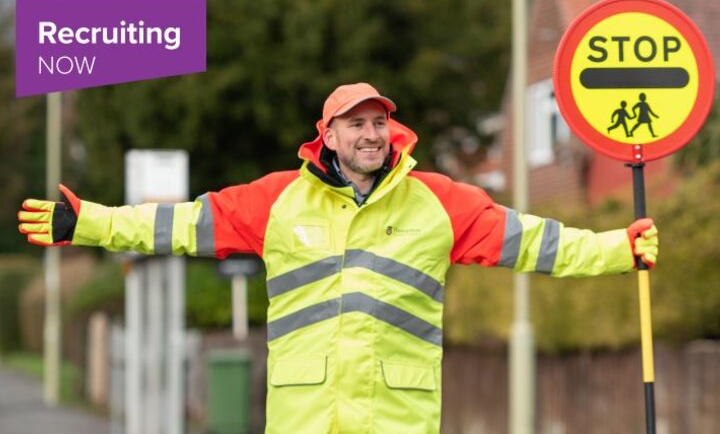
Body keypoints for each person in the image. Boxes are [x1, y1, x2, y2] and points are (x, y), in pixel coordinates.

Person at [18, 83, 659, 434]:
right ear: (327, 136)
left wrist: (616, 248)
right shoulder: (276, 201)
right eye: (355, 124)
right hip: (303, 420)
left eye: (379, 122)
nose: (370, 134)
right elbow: (181, 223)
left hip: (398, 421)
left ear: (393, 132)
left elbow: (537, 243)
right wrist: (92, 222)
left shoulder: (439, 202)